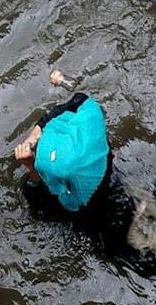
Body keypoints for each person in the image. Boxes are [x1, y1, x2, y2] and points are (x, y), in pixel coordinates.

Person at [14, 92, 141, 257]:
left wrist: (31, 168)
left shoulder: (70, 206)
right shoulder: (101, 158)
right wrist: (35, 137)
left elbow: (36, 195)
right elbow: (78, 101)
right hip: (126, 198)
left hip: (108, 234)